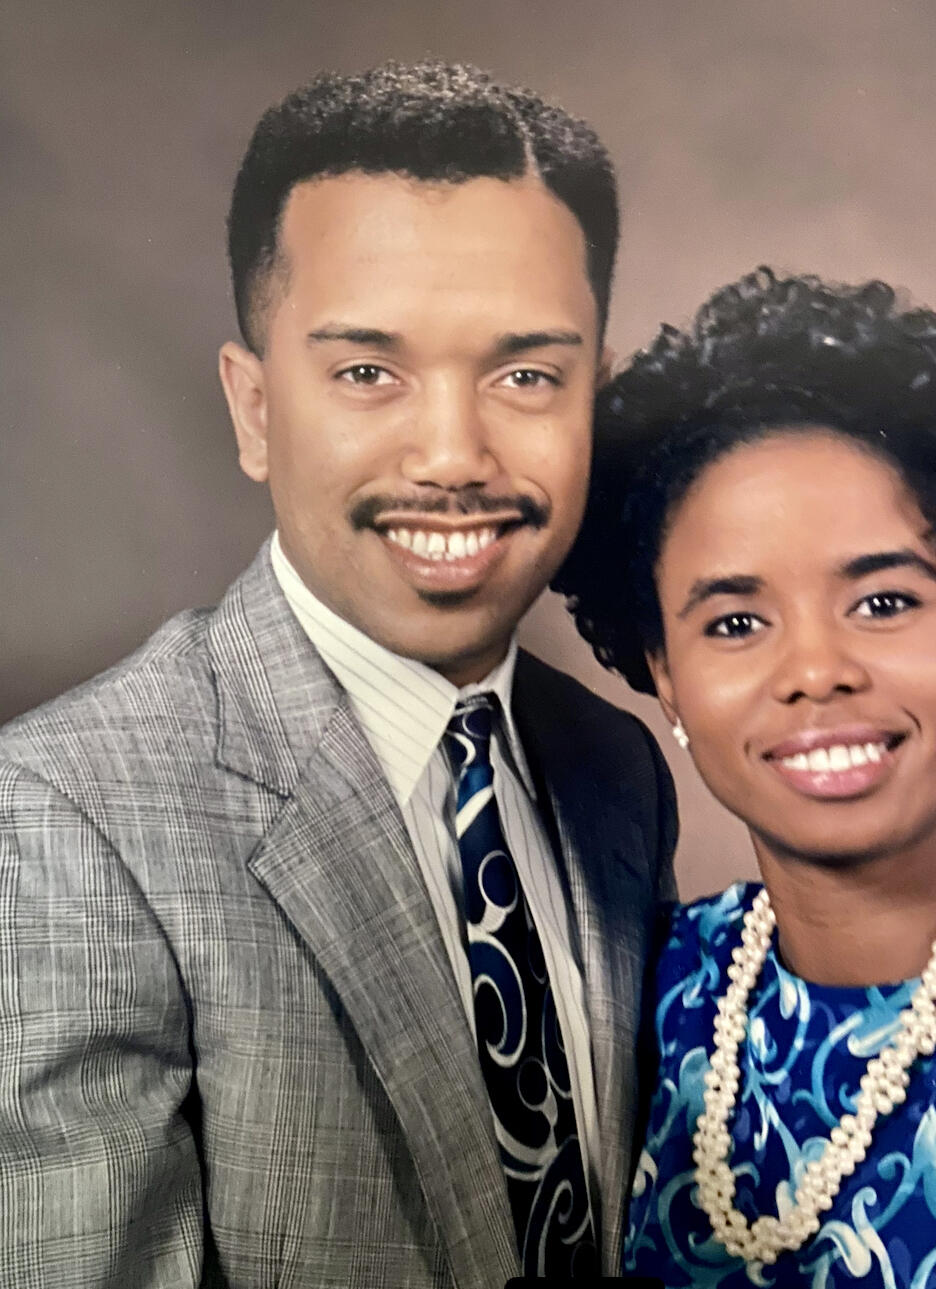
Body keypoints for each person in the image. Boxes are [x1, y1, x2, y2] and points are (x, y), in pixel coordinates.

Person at [0, 61, 677, 1288]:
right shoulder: (64, 816)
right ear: (255, 409)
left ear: (598, 401)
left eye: (527, 374)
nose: (453, 453)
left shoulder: (612, 766)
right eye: (369, 372)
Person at [554, 269, 936, 1286]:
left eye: (884, 601)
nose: (815, 672)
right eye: (735, 623)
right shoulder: (649, 986)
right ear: (664, 674)